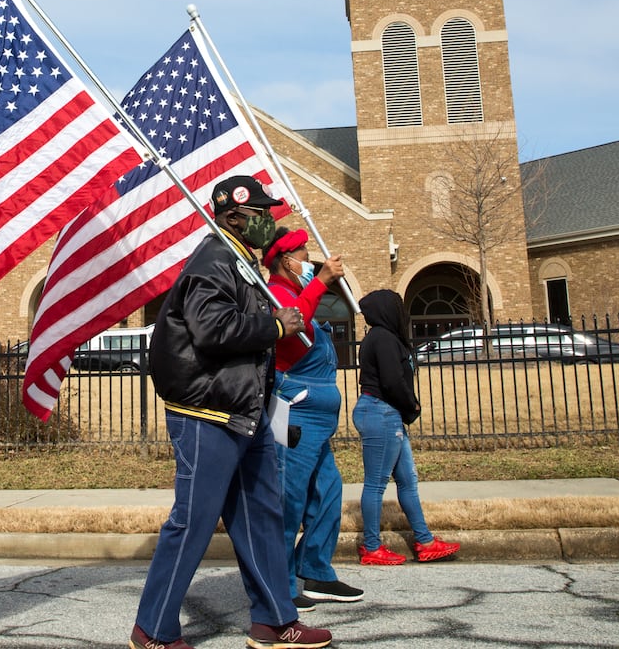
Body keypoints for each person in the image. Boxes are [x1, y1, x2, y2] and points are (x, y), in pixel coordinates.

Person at [129, 175, 332, 649]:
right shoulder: (213, 261)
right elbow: (212, 330)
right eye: (264, 214)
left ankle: (275, 622)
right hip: (207, 414)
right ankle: (152, 629)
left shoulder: (240, 263)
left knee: (262, 515)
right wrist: (275, 323)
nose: (272, 221)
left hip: (246, 413)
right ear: (236, 217)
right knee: (193, 521)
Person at [262, 228, 362, 607]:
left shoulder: (297, 292)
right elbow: (292, 329)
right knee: (289, 499)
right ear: (287, 261)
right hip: (294, 413)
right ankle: (281, 586)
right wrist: (320, 282)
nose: (308, 261)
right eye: (303, 254)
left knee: (328, 492)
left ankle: (317, 571)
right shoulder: (276, 293)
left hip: (317, 422)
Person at [352, 288, 459, 566]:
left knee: (407, 481)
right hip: (381, 412)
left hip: (388, 413)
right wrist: (412, 405)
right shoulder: (383, 338)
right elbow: (392, 381)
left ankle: (425, 541)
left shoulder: (385, 337)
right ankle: (372, 547)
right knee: (376, 484)